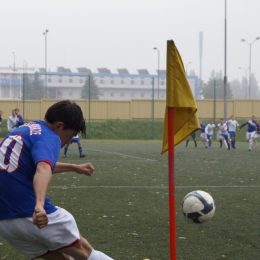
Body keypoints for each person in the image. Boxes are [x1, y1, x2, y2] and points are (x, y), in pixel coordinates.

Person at [0, 100, 113, 260]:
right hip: (29, 212)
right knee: (86, 253)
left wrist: (75, 167)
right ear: (59, 126)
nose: (68, 142)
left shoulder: (23, 130)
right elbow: (43, 168)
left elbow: (32, 164)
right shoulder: (50, 136)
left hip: (4, 222)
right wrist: (39, 206)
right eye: (70, 135)